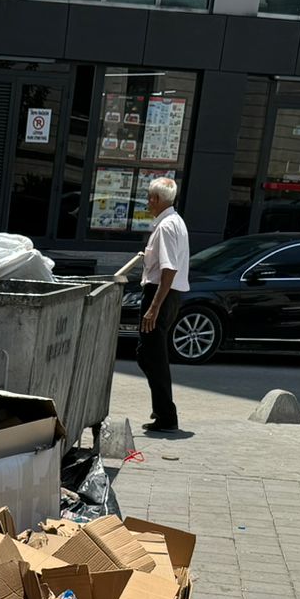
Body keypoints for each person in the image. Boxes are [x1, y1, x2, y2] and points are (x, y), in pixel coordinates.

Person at [136, 176, 189, 435]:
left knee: (154, 358)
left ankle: (167, 416)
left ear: (157, 200)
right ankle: (163, 409)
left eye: (149, 197)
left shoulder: (167, 226)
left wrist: (154, 306)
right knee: (146, 355)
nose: (147, 202)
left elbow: (169, 269)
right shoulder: (175, 222)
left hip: (161, 294)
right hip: (167, 294)